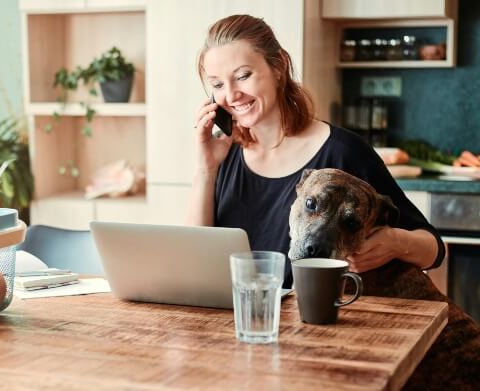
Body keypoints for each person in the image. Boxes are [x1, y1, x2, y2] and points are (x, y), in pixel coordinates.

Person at [186, 14, 445, 288]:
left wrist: (395, 242)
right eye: (217, 85)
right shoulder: (223, 156)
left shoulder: (343, 152)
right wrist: (206, 169)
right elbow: (194, 260)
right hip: (231, 321)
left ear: (279, 66)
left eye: (242, 76)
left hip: (311, 326)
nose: (231, 94)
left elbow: (435, 250)